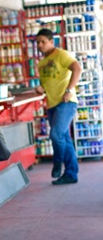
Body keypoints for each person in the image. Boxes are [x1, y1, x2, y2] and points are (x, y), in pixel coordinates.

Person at [35, 28, 81, 184]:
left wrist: (69, 90)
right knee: (64, 139)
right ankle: (71, 174)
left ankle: (57, 162)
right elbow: (44, 84)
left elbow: (77, 68)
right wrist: (40, 89)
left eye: (43, 41)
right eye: (38, 42)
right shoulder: (41, 63)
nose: (40, 45)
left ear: (51, 41)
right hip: (52, 105)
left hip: (66, 102)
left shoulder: (61, 54)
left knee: (55, 135)